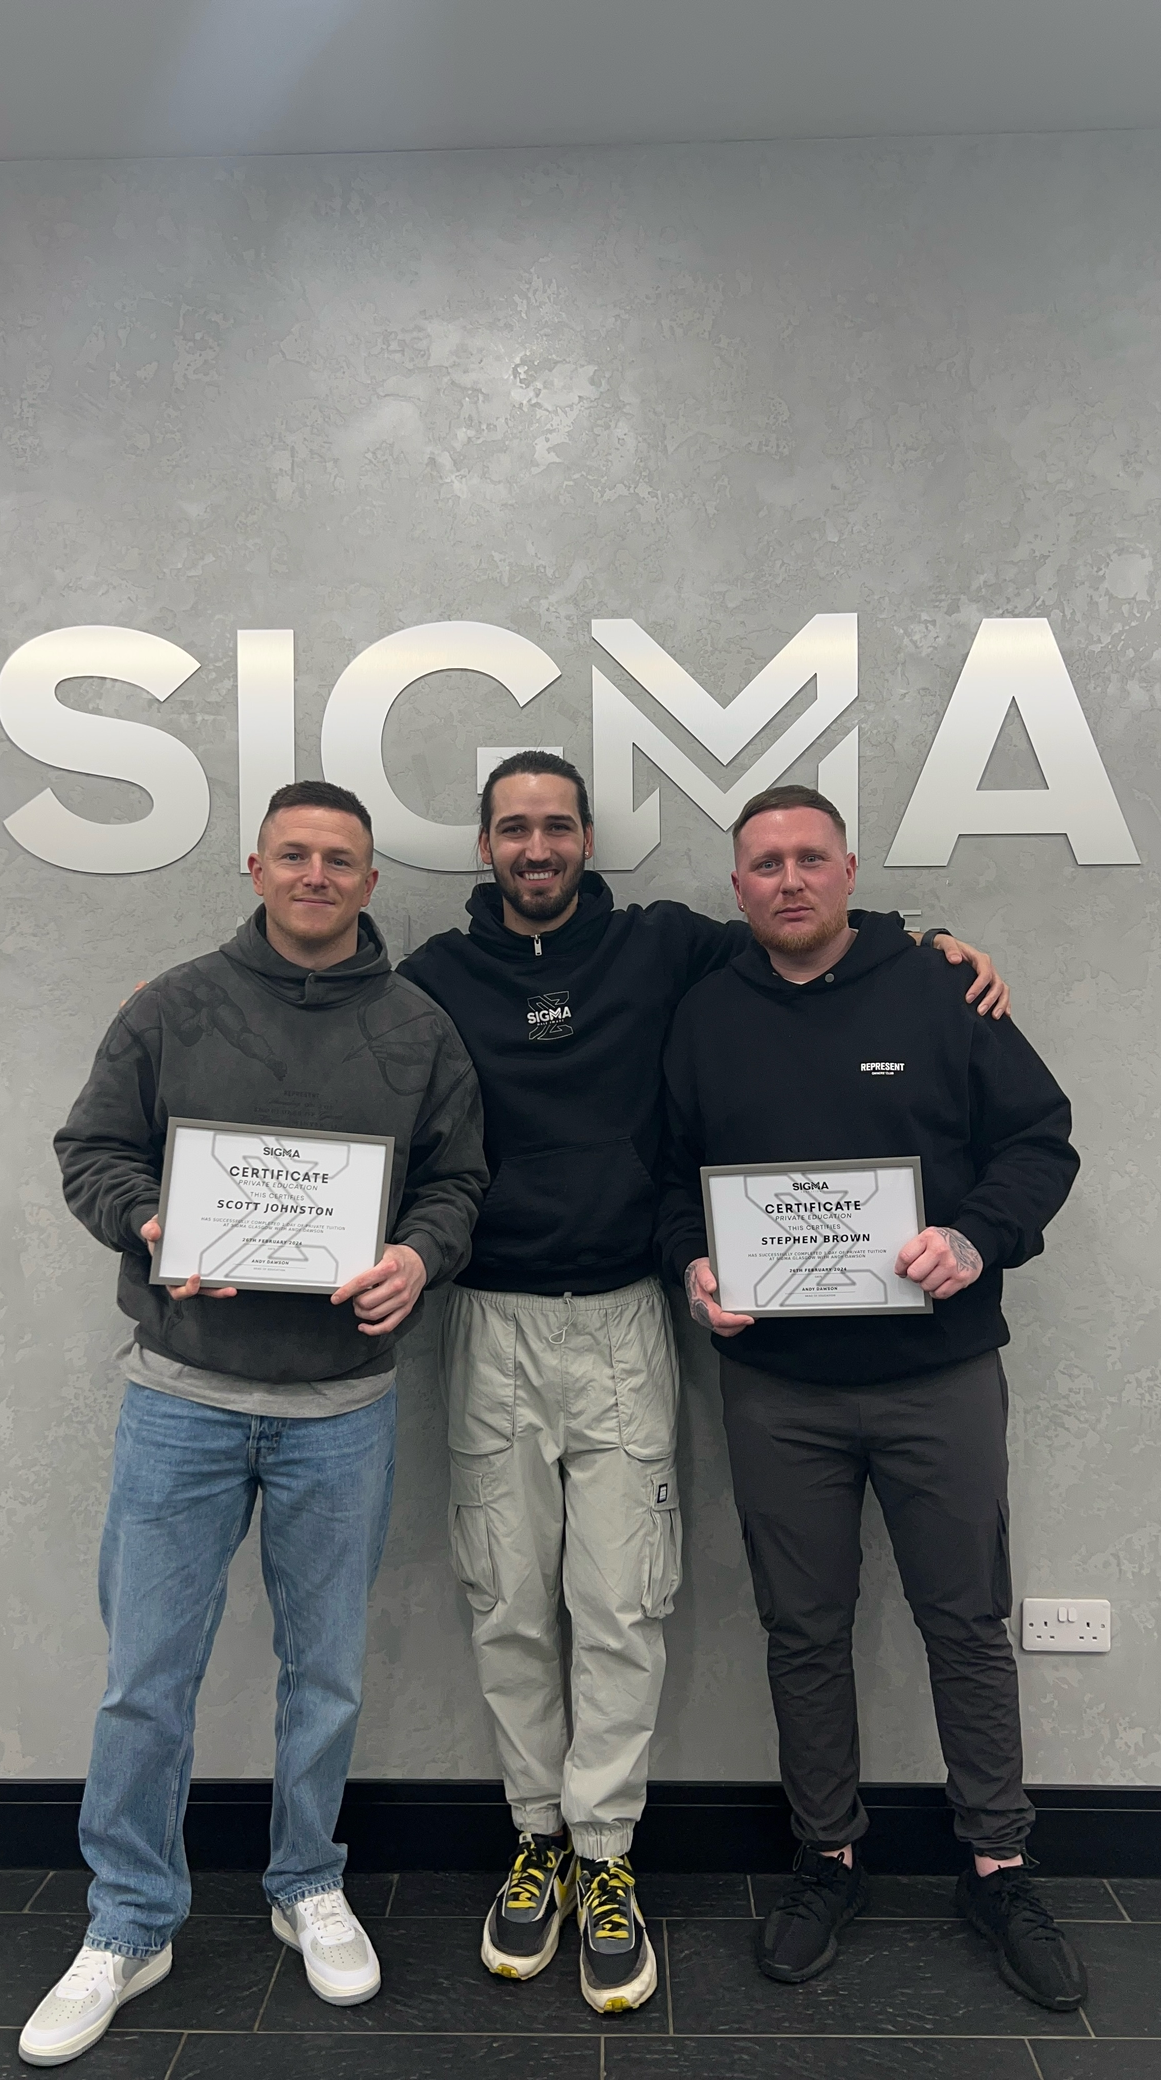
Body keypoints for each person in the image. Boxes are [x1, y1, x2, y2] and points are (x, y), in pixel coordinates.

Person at [400, 751, 1010, 2014]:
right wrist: (185, 999)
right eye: (514, 829)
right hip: (490, 1319)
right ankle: (537, 1845)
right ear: (485, 848)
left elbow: (820, 941)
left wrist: (938, 943)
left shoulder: (668, 946)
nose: (538, 847)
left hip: (627, 1317)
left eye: (558, 826)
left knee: (622, 1603)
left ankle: (608, 1854)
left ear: (587, 843)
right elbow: (335, 1028)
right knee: (510, 1600)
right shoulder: (431, 981)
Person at [20, 781, 486, 2069]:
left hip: (343, 1405)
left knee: (324, 1673)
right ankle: (129, 1918)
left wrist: (417, 1255)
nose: (318, 874)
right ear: (257, 863)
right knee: (144, 1681)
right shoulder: (170, 1006)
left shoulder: (418, 1027)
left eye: (342, 858)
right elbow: (90, 1150)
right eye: (297, 853)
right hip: (183, 1395)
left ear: (371, 878)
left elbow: (459, 1180)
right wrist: (155, 1219)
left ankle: (304, 1884)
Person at [657, 781, 1086, 2014]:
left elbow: (1041, 1141)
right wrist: (691, 1260)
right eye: (763, 864)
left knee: (966, 1622)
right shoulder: (702, 1017)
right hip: (777, 1386)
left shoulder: (943, 987)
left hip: (938, 1374)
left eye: (808, 858)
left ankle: (999, 1863)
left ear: (849, 872)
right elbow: (667, 1179)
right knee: (803, 1629)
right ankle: (826, 1853)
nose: (787, 880)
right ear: (736, 889)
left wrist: (978, 1237)